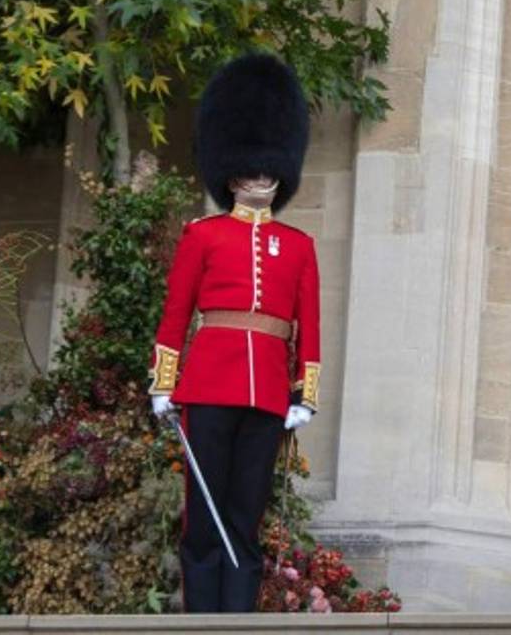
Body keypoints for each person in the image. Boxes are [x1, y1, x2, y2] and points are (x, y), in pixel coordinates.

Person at [147, 53, 321, 612]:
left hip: (268, 394)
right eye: (251, 169)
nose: (261, 178)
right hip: (207, 385)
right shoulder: (202, 236)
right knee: (204, 519)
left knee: (245, 518)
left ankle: (240, 622)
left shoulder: (300, 247)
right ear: (231, 171)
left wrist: (304, 394)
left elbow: (309, 327)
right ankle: (201, 621)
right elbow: (176, 313)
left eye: (269, 169)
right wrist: (163, 381)